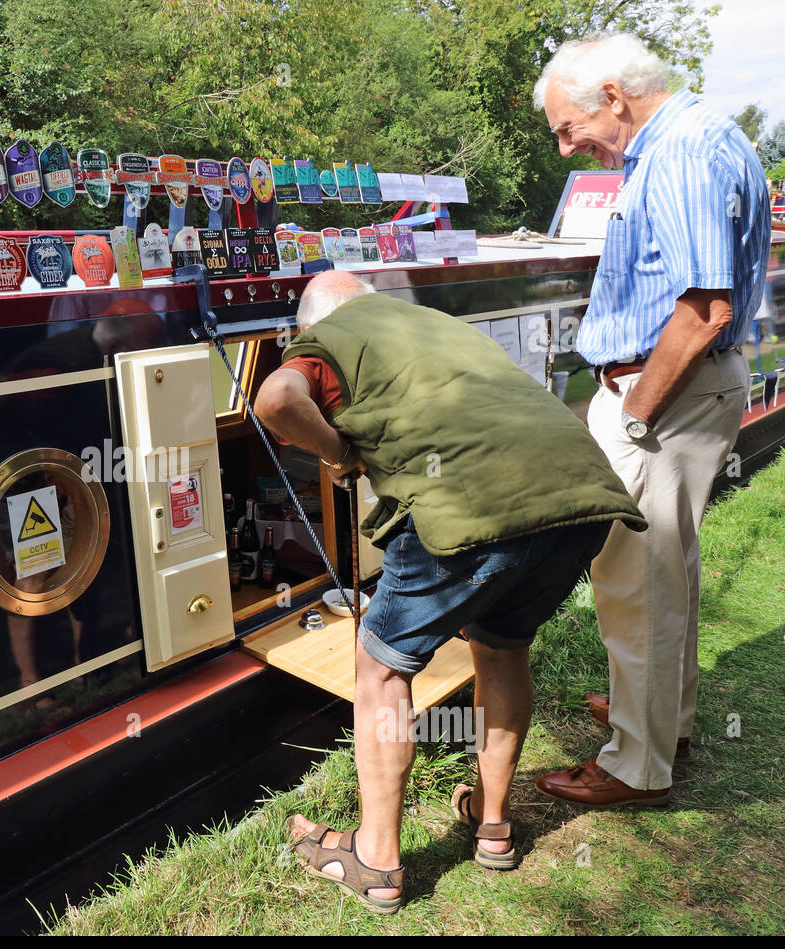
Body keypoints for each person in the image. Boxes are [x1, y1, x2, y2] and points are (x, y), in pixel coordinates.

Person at [256, 271, 645, 912]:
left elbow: (275, 401)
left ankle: (375, 859)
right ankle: (493, 826)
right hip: (583, 501)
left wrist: (337, 451)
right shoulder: (436, 325)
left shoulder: (326, 339)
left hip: (475, 509)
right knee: (502, 646)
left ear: (311, 325)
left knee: (382, 666)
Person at [532, 34, 770, 808]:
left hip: (665, 393)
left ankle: (636, 764)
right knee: (667, 572)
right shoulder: (700, 135)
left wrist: (634, 414)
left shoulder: (681, 151)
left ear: (612, 96)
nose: (567, 148)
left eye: (568, 128)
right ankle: (664, 719)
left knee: (633, 580)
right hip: (685, 390)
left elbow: (703, 310)